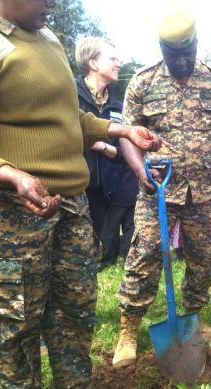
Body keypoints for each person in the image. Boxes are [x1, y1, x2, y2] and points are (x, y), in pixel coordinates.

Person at [0, 0, 160, 387]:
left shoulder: (46, 39)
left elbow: (67, 118)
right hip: (9, 212)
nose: (54, 2)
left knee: (74, 321)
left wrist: (118, 130)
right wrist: (12, 175)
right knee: (16, 332)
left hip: (71, 207)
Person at [114, 9, 211, 368]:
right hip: (157, 188)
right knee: (144, 257)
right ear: (161, 48)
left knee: (203, 259)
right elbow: (128, 136)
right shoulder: (143, 82)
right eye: (173, 54)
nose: (181, 60)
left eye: (186, 52)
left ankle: (193, 319)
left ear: (196, 44)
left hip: (205, 191)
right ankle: (128, 328)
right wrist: (139, 167)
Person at [75, 37, 139, 270]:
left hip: (108, 190)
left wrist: (107, 148)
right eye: (112, 58)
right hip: (76, 187)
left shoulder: (118, 107)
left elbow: (127, 152)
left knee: (102, 250)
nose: (118, 63)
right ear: (93, 63)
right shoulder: (70, 95)